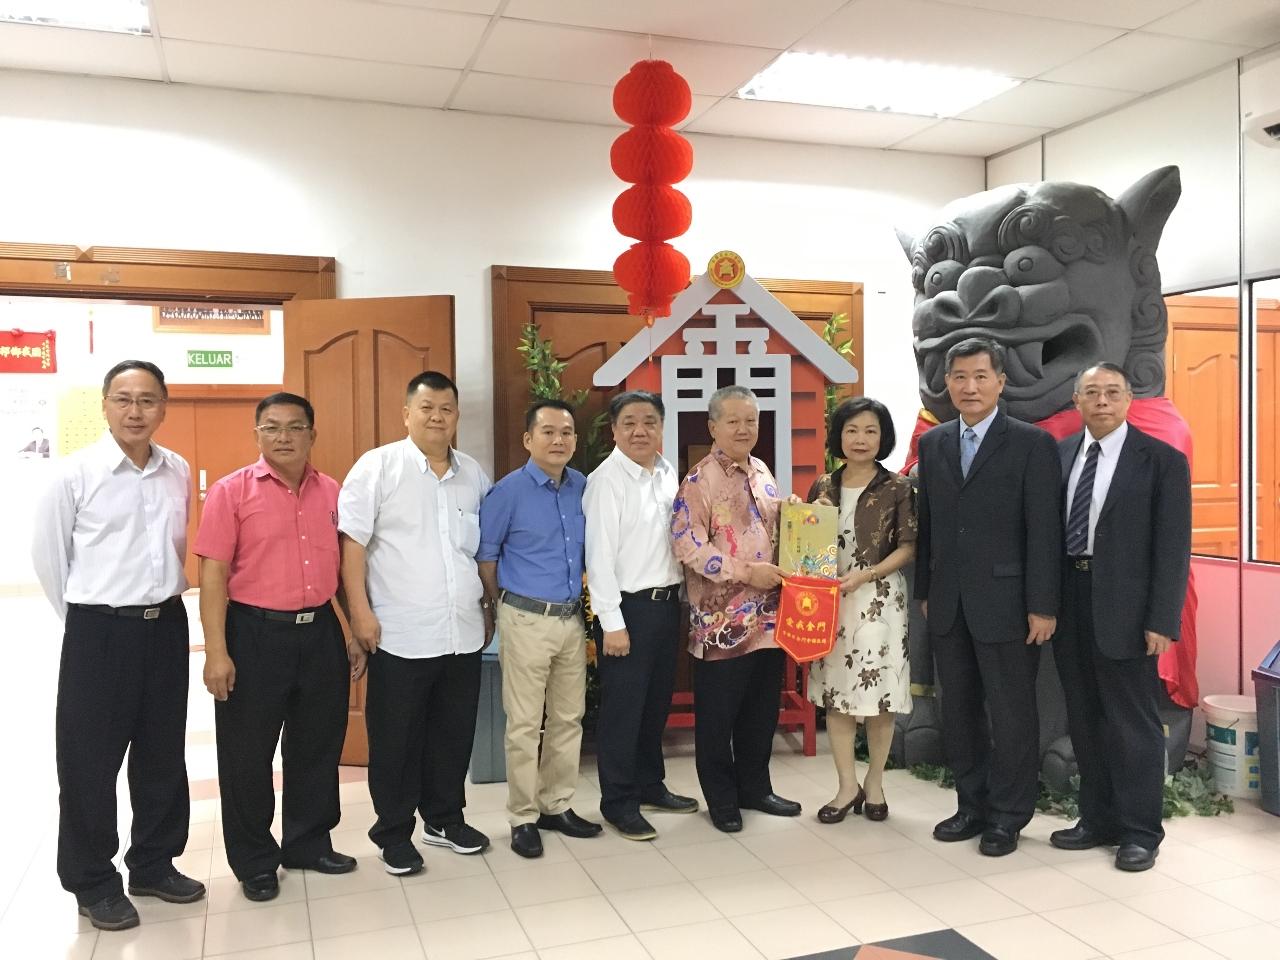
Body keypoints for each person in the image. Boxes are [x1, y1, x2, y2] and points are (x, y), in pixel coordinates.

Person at [31, 360, 205, 931]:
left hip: (167, 625)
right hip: (99, 631)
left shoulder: (176, 469)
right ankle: (92, 881)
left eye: (148, 400)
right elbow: (50, 560)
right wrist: (93, 618)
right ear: (104, 405)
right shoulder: (74, 474)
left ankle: (153, 863)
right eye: (124, 399)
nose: (136, 411)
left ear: (163, 407)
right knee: (89, 760)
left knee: (161, 752)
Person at [194, 392, 354, 902]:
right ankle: (255, 859)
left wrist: (349, 633)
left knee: (317, 745)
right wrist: (215, 651)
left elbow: (345, 572)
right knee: (247, 753)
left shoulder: (332, 491)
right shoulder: (230, 492)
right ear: (257, 433)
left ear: (312, 433)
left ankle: (307, 842)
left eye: (294, 427)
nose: (283, 437)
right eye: (271, 428)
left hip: (320, 632)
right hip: (253, 633)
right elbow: (212, 575)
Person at [339, 371, 493, 877]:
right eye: (425, 407)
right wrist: (359, 613)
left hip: (462, 631)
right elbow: (352, 546)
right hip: (400, 633)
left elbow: (481, 552)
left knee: (452, 734)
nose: (436, 417)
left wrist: (489, 606)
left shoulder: (473, 474)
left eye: (446, 408)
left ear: (456, 416)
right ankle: (392, 832)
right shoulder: (378, 467)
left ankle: (444, 819)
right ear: (407, 413)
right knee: (396, 739)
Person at [915, 338, 1061, 857]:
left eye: (980, 376)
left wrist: (1044, 604)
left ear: (1000, 382)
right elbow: (928, 527)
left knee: (1013, 713)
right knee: (959, 712)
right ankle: (971, 805)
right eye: (959, 376)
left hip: (1011, 604)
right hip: (949, 604)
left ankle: (1008, 816)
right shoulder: (933, 446)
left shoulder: (1031, 444)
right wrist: (926, 593)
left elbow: (1045, 531)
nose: (969, 386)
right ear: (947, 384)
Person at [1050, 363, 1190, 872]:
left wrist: (1162, 619)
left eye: (1112, 392)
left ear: (1130, 399)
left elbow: (1173, 549)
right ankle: (1097, 819)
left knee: (1134, 723)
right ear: (1077, 400)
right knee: (1084, 719)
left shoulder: (1161, 462)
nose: (1102, 401)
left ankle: (1140, 831)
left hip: (1130, 613)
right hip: (1070, 601)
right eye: (1092, 393)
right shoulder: (1062, 455)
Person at [671, 384, 799, 833]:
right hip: (721, 624)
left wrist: (800, 513)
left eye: (751, 420)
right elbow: (687, 545)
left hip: (768, 617)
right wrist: (745, 572)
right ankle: (722, 799)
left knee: (761, 711)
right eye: (733, 421)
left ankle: (755, 788)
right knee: (718, 716)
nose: (744, 429)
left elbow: (774, 524)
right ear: (713, 427)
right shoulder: (698, 480)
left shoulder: (762, 470)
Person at [478, 399, 600, 859]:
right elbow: (486, 557)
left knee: (569, 719)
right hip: (526, 617)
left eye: (567, 432)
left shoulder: (582, 488)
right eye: (548, 432)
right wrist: (497, 607)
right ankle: (523, 816)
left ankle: (557, 805)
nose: (559, 440)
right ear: (529, 440)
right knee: (526, 723)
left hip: (571, 618)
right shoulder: (507, 492)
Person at [584, 390, 699, 841]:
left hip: (666, 605)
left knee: (654, 706)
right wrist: (612, 624)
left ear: (661, 427)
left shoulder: (669, 474)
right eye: (629, 422)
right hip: (626, 611)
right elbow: (599, 558)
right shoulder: (606, 480)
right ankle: (618, 802)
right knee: (623, 712)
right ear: (613, 430)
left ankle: (651, 785)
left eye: (649, 421)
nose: (639, 431)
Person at [806, 397, 916, 824]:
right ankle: (846, 785)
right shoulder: (823, 485)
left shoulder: (899, 487)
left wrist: (866, 575)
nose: (861, 439)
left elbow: (908, 546)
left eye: (871, 431)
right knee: (837, 697)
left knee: (878, 698)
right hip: (831, 602)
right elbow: (807, 547)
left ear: (883, 437)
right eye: (852, 430)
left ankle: (875, 781)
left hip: (879, 602)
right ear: (840, 435)